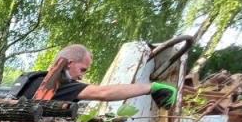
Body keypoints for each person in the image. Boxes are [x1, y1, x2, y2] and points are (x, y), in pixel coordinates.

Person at [11, 44, 178, 107]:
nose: (81, 77)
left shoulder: (32, 78)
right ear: (69, 63)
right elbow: (103, 93)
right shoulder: (57, 85)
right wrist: (150, 87)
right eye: (82, 70)